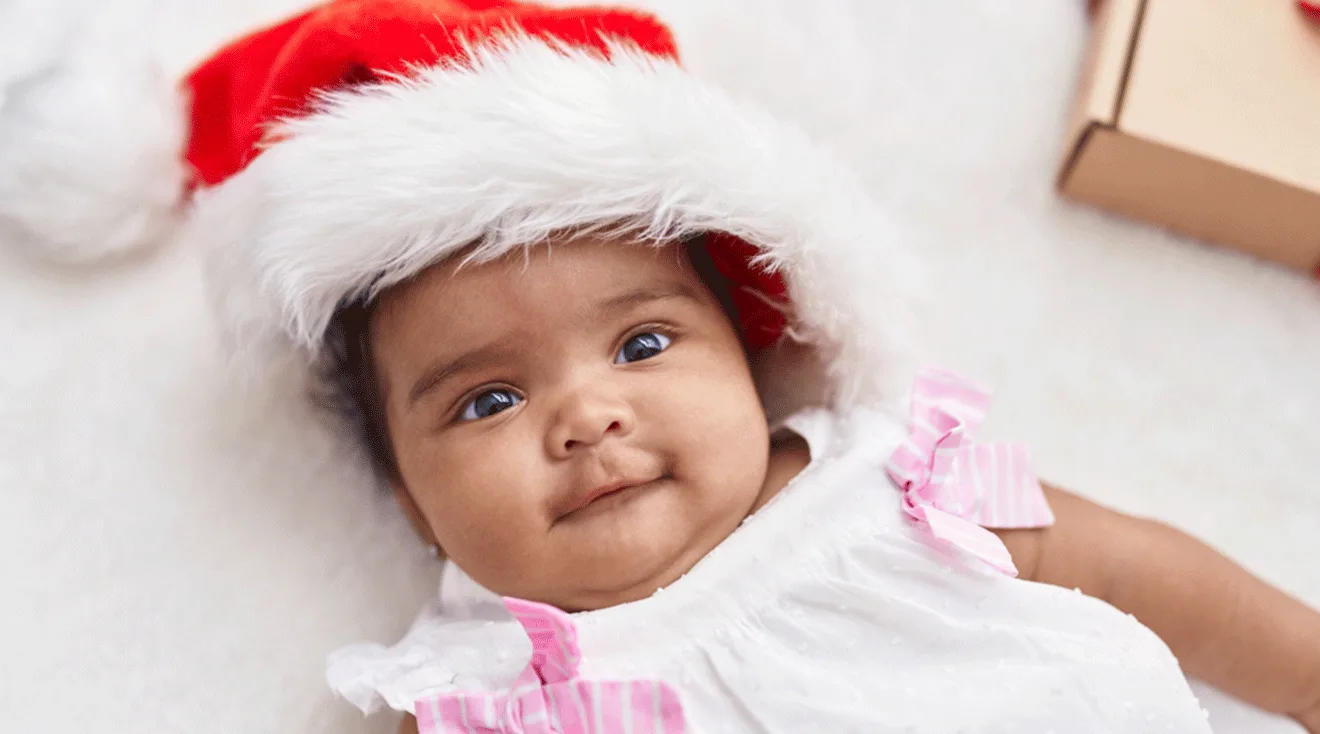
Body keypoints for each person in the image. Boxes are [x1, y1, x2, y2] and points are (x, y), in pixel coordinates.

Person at [77, 0, 1320, 730]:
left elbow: (1139, 565)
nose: (586, 414)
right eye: (488, 399)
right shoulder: (476, 689)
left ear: (752, 343)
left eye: (643, 340)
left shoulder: (897, 480)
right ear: (408, 497)